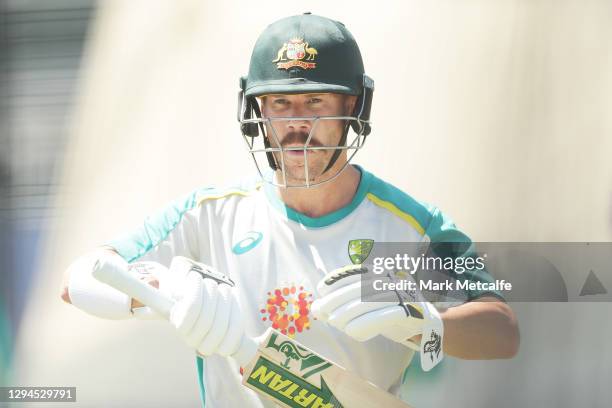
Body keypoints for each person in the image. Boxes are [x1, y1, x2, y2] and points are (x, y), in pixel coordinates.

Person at [61, 13, 519, 407]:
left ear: (353, 105)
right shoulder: (212, 216)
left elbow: (502, 332)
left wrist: (422, 321)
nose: (298, 122)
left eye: (317, 101)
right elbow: (82, 278)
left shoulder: (408, 226)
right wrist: (166, 292)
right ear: (255, 109)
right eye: (281, 103)